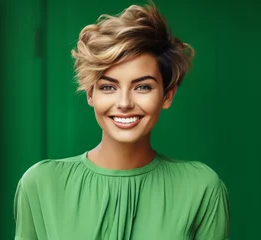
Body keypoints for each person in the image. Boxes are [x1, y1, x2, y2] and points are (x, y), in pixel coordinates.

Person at [14, 2, 230, 240]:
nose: (124, 102)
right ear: (90, 94)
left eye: (143, 87)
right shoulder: (41, 185)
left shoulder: (201, 188)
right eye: (108, 87)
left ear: (167, 95)